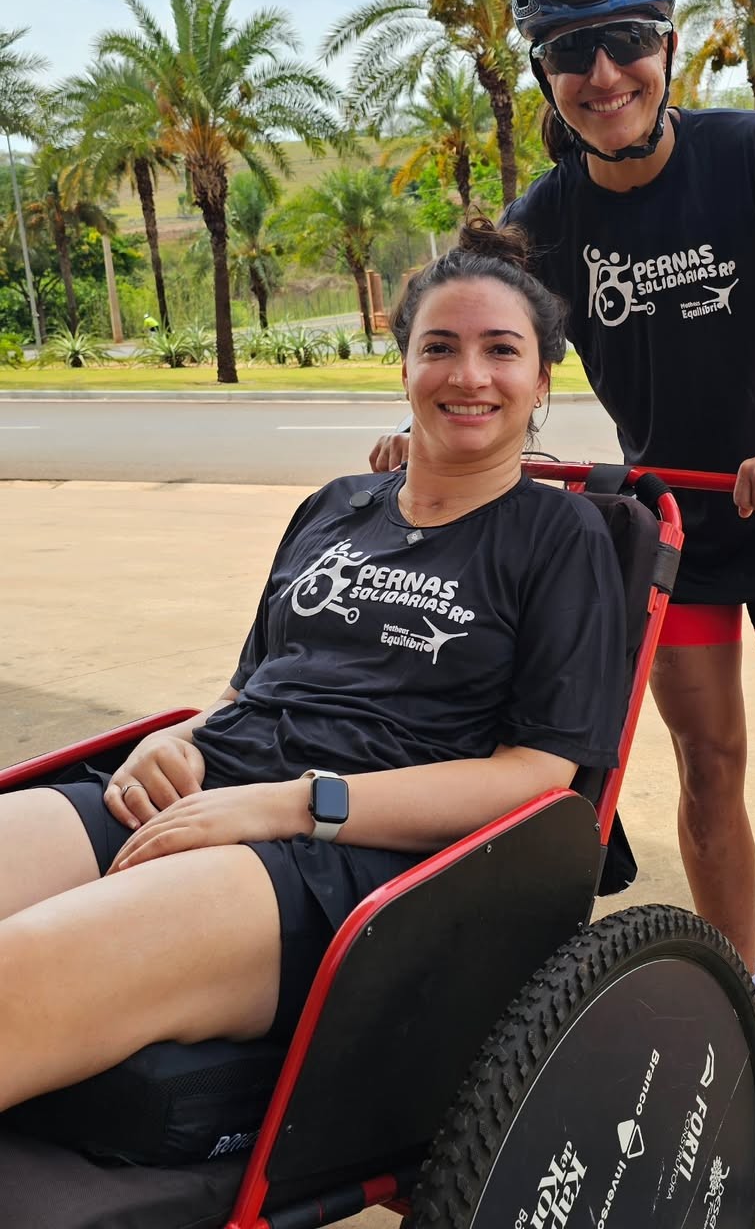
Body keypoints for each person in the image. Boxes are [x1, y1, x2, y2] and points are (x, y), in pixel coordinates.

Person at [372, 0, 755, 1104]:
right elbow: (494, 357)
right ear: (542, 72)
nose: (604, 73)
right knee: (708, 766)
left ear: (671, 45)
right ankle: (740, 984)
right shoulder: (549, 219)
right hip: (668, 534)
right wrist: (431, 439)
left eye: (626, 38)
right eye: (571, 51)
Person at [0, 220, 626, 1116]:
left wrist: (295, 804)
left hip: (348, 855)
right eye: (439, 347)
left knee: (15, 984)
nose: (470, 375)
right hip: (212, 784)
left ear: (541, 383)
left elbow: (537, 779)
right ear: (403, 366)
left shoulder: (562, 537)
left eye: (502, 351)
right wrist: (177, 742)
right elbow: (248, 685)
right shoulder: (336, 508)